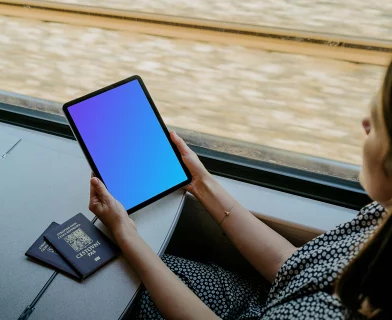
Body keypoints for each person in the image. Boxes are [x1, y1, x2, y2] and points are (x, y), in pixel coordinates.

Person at [88, 60, 392, 320]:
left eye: (380, 124)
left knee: (111, 283)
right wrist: (201, 183)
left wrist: (125, 232)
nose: (365, 123)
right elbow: (296, 266)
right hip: (266, 299)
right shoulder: (382, 213)